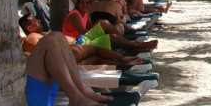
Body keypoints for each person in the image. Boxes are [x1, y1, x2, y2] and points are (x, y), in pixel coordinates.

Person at [25, 32, 111, 106]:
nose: (38, 21)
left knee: (58, 36)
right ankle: (76, 98)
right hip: (32, 101)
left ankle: (82, 91)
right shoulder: (31, 37)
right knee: (49, 42)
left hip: (37, 92)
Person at [19, 14, 147, 67]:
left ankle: (124, 63)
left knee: (97, 57)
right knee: (98, 48)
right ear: (29, 28)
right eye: (35, 21)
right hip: (72, 49)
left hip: (76, 45)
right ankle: (125, 57)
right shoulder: (31, 38)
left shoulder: (39, 34)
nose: (39, 20)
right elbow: (43, 53)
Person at [68, 0, 157, 51]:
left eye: (87, 3)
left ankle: (131, 45)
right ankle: (138, 45)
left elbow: (89, 27)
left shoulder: (86, 13)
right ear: (78, 4)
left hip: (84, 38)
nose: (85, 5)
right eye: (82, 3)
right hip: (78, 41)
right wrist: (99, 23)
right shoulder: (75, 14)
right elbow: (83, 33)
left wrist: (99, 25)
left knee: (110, 32)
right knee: (105, 25)